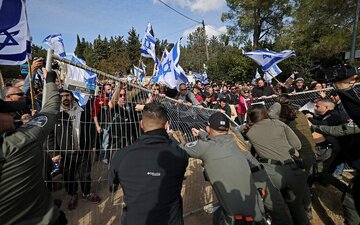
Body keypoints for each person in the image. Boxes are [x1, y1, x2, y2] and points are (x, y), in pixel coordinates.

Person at [0, 71, 65, 225]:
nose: (11, 114)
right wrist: (50, 80)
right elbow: (50, 110)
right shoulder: (18, 142)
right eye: (5, 111)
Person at [179, 112, 266, 225]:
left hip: (235, 218)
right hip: (257, 209)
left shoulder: (204, 147)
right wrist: (202, 133)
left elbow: (178, 148)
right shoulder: (234, 141)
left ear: (208, 127)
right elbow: (218, 139)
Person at [109, 102, 188, 225]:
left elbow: (112, 186)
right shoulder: (180, 154)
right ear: (166, 125)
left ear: (141, 124)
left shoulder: (121, 155)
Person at [245, 104, 311, 225]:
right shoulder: (278, 123)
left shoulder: (250, 132)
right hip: (292, 169)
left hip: (271, 173)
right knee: (296, 207)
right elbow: (297, 145)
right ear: (265, 112)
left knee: (277, 210)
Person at [47, 89, 101, 210]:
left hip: (83, 150)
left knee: (85, 174)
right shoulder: (55, 114)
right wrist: (54, 153)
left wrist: (93, 144)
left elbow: (91, 129)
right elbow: (50, 135)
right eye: (61, 96)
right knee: (68, 176)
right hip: (65, 154)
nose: (65, 98)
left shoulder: (83, 111)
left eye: (67, 95)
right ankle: (72, 195)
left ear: (72, 96)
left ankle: (87, 193)